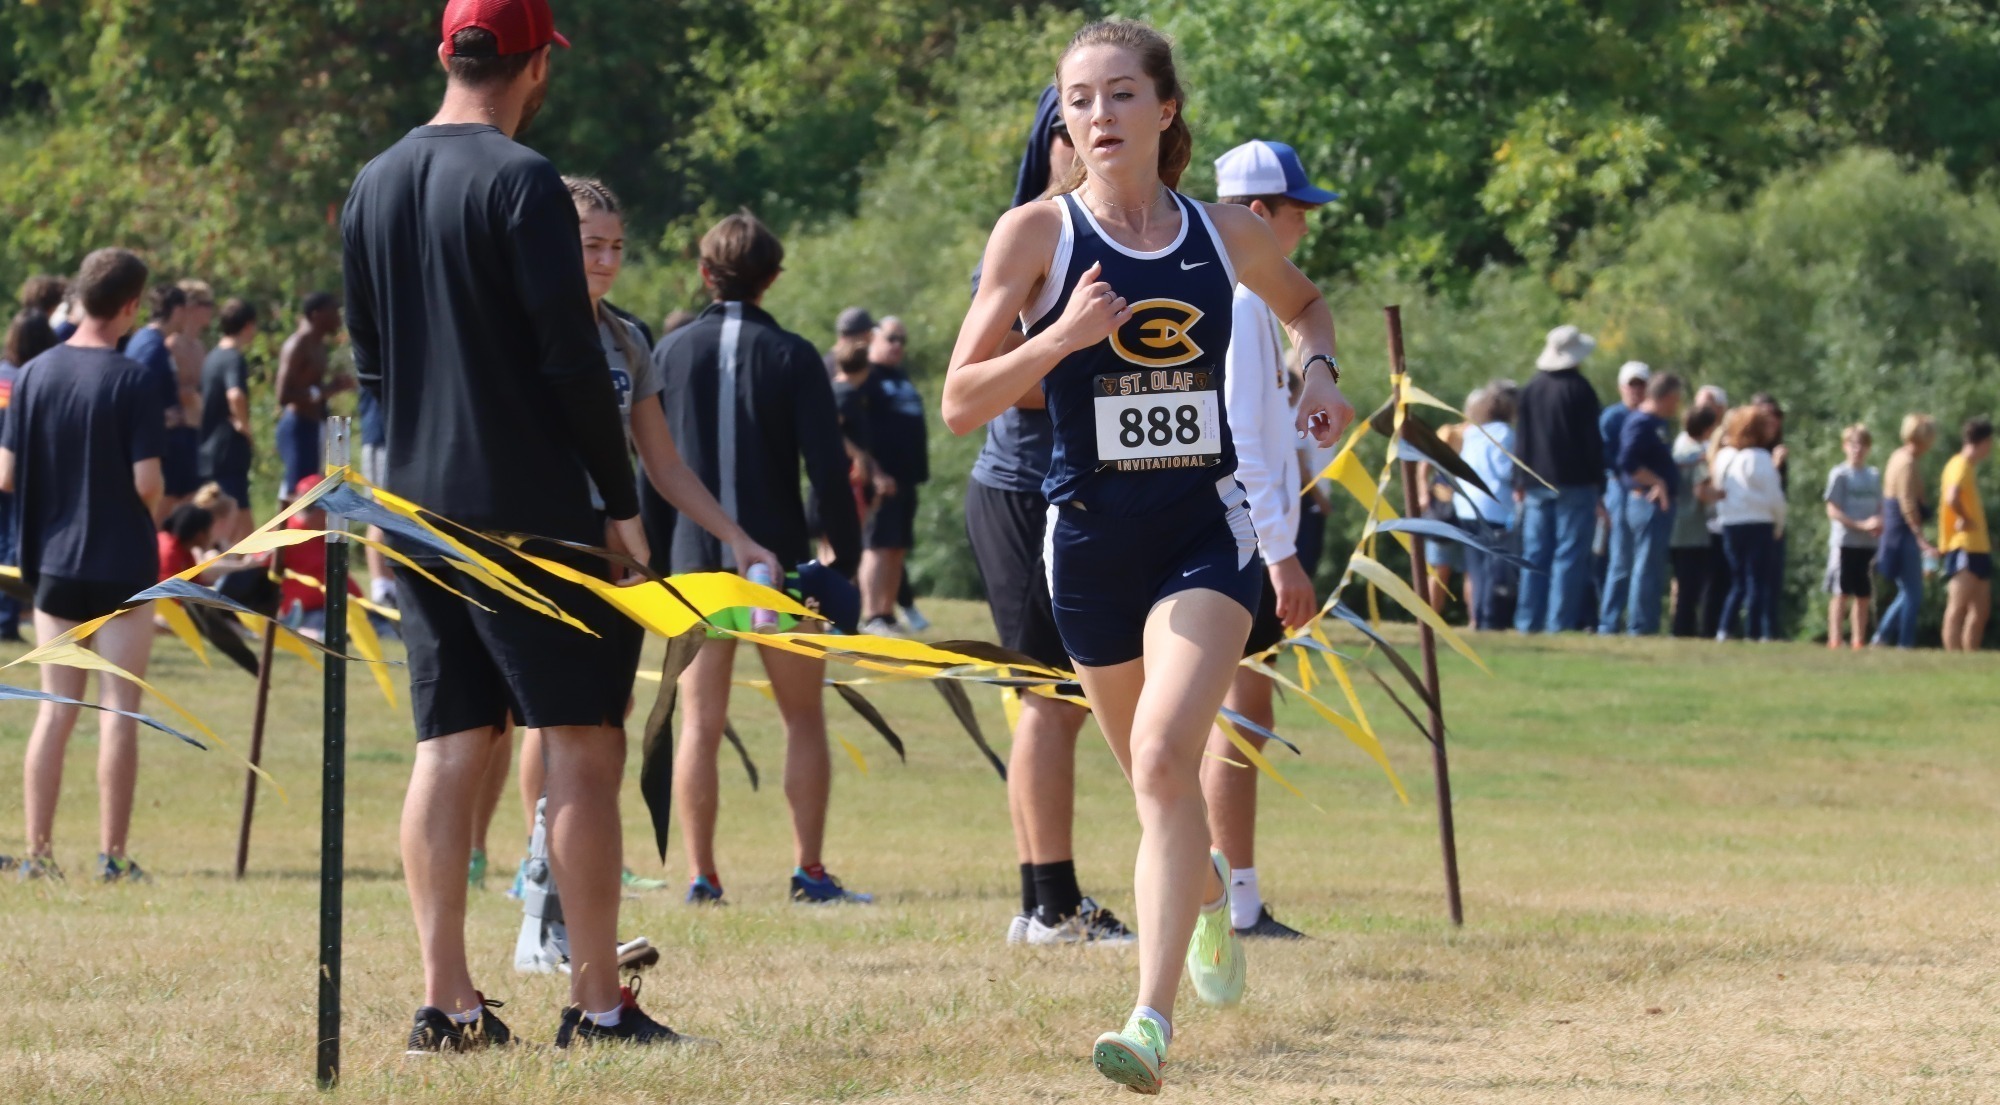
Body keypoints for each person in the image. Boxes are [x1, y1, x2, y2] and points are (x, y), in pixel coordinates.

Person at [940, 21, 1354, 1093]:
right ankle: (1209, 892)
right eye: (1079, 99)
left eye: (1121, 95)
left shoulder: (1219, 234)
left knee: (1168, 756)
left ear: (1163, 112)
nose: (1098, 117)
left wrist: (1316, 374)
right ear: (1062, 118)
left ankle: (1148, 1019)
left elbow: (1305, 306)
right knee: (1148, 783)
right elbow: (958, 400)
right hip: (1082, 541)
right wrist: (1058, 339)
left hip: (1198, 534)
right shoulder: (1033, 236)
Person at [342, 0, 687, 1050]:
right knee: (581, 745)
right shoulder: (521, 179)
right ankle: (593, 1001)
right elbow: (570, 361)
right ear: (534, 64)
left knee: (450, 744)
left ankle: (446, 1002)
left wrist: (373, 498)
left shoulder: (371, 182)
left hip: (412, 505)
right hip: (535, 512)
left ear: (449, 52)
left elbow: (370, 369)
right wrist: (622, 509)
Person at [482, 176, 779, 901]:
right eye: (591, 245)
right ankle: (537, 862)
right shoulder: (513, 328)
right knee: (545, 715)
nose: (607, 259)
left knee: (600, 720)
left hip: (612, 546)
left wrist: (738, 539)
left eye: (616, 246)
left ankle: (578, 859)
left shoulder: (627, 336)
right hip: (532, 538)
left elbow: (664, 462)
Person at [655, 210, 868, 908]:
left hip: (693, 563)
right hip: (778, 566)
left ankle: (702, 874)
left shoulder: (668, 353)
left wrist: (653, 555)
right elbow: (828, 470)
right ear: (773, 277)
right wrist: (846, 556)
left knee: (699, 722)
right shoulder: (794, 354)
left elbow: (650, 468)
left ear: (703, 273)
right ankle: (809, 868)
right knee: (802, 717)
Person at [967, 83, 1131, 947]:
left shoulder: (1115, 230)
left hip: (1069, 490)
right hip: (1024, 487)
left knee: (1053, 699)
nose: (1094, 141)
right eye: (1073, 128)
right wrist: (1083, 361)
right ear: (1051, 141)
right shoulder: (1031, 232)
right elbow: (992, 380)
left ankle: (1045, 899)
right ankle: (1050, 903)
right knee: (1049, 700)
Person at [1201, 136, 1340, 941]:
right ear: (1258, 214)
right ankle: (1233, 899)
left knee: (1243, 716)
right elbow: (1245, 440)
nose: (1305, 227)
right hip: (1247, 539)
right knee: (1240, 717)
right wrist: (1280, 554)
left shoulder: (1257, 305)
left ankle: (1236, 892)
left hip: (1251, 532)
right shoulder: (1246, 302)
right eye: (1297, 211)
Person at [0, 247, 164, 882]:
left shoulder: (34, 372)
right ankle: (112, 856)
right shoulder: (133, 378)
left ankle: (38, 853)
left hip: (53, 566)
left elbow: (8, 474)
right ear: (128, 306)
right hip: (121, 561)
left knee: (55, 709)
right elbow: (147, 481)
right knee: (119, 709)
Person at [1512, 325, 1605, 634]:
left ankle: (1527, 622)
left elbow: (1521, 440)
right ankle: (1559, 622)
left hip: (1536, 482)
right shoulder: (1581, 389)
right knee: (1569, 555)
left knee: (1535, 554)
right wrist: (1600, 484)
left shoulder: (1531, 389)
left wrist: (1518, 481)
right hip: (1576, 483)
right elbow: (1592, 442)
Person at [857, 316, 930, 632]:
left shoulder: (900, 376)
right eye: (891, 338)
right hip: (880, 478)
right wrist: (873, 471)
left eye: (902, 339)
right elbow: (853, 429)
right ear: (873, 338)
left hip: (905, 476)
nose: (898, 345)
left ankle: (887, 614)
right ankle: (871, 615)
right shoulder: (867, 377)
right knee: (877, 545)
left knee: (897, 546)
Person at [1606, 373, 1683, 635]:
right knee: (1644, 566)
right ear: (1667, 397)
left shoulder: (1656, 423)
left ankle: (1642, 623)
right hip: (1646, 501)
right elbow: (1627, 461)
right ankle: (1639, 626)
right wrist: (1657, 482)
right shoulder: (1640, 422)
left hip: (1653, 502)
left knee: (1649, 565)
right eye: (1676, 399)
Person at [0, 309, 60, 642]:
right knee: (13, 548)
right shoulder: (32, 378)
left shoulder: (2, 374)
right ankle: (6, 620)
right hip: (18, 474)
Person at [1712, 407, 1788, 641]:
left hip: (1732, 523)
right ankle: (1753, 632)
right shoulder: (1761, 459)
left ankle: (1724, 628)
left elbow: (1719, 492)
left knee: (1738, 580)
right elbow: (1776, 497)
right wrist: (1779, 524)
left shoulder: (1725, 457)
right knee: (1757, 580)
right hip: (1759, 523)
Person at [274, 292, 350, 505]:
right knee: (296, 496)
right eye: (333, 311)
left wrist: (333, 387)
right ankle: (282, 538)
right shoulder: (298, 345)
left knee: (307, 491)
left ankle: (299, 538)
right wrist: (323, 392)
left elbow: (312, 387)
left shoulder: (318, 344)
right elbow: (282, 395)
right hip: (297, 428)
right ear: (316, 315)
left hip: (313, 426)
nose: (338, 317)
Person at [123, 284, 192, 519]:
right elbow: (133, 392)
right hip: (154, 450)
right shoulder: (150, 347)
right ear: (178, 310)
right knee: (154, 520)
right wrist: (160, 417)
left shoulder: (151, 341)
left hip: (162, 446)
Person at [1456, 382, 1521, 631]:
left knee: (1475, 567)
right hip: (1492, 507)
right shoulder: (1504, 433)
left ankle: (1478, 616)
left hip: (1466, 504)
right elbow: (1505, 470)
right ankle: (1490, 617)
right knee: (1493, 566)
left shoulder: (1473, 432)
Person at [1872, 414, 1938, 649]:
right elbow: (1907, 503)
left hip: (1894, 530)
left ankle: (1881, 637)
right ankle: (1904, 642)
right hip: (1901, 532)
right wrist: (1921, 538)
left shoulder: (1898, 456)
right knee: (1913, 592)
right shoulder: (1908, 463)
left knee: (1907, 590)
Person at [1596, 360, 1650, 633]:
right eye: (1632, 385)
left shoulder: (1652, 419)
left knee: (1640, 560)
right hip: (1618, 488)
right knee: (1619, 559)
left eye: (1641, 385)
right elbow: (1604, 457)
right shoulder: (1612, 418)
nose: (1636, 391)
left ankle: (1636, 623)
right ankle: (1609, 621)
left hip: (1644, 491)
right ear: (1621, 387)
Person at [198, 298, 257, 543]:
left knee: (220, 516)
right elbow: (235, 394)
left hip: (209, 448)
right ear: (248, 326)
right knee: (235, 516)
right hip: (228, 448)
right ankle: (247, 571)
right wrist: (245, 426)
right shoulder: (234, 358)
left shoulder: (212, 356)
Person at [1822, 424, 1882, 650]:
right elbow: (1832, 509)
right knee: (1841, 592)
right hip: (1845, 541)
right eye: (1852, 444)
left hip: (1868, 543)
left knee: (1863, 593)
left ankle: (1858, 639)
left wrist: (1878, 521)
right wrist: (1859, 524)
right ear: (1845, 446)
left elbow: (1879, 505)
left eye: (1862, 445)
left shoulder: (1873, 475)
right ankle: (1835, 638)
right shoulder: (1840, 474)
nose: (1857, 449)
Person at [1668, 404, 1724, 638]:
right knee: (1692, 586)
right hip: (1694, 528)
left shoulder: (1677, 453)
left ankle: (1679, 627)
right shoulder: (1699, 457)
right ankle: (1685, 630)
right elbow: (1701, 491)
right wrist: (1722, 494)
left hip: (1673, 526)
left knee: (1681, 582)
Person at [1938, 416, 1993, 652]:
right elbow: (1952, 497)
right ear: (1983, 442)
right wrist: (1965, 519)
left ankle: (1969, 655)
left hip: (1979, 547)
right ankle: (1952, 655)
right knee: (1957, 606)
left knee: (1981, 609)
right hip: (1964, 546)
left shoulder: (1968, 467)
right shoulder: (1959, 465)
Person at [165, 280, 215, 508]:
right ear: (192, 307)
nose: (212, 309)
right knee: (171, 500)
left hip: (197, 431)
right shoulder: (173, 344)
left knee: (193, 498)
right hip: (177, 432)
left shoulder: (198, 346)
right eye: (207, 303)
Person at [1419, 412, 1470, 615]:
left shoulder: (1486, 438)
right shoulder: (1449, 433)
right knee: (1440, 567)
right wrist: (1423, 495)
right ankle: (1431, 617)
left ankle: (1476, 622)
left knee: (1471, 568)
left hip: (1469, 506)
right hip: (1443, 506)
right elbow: (1424, 467)